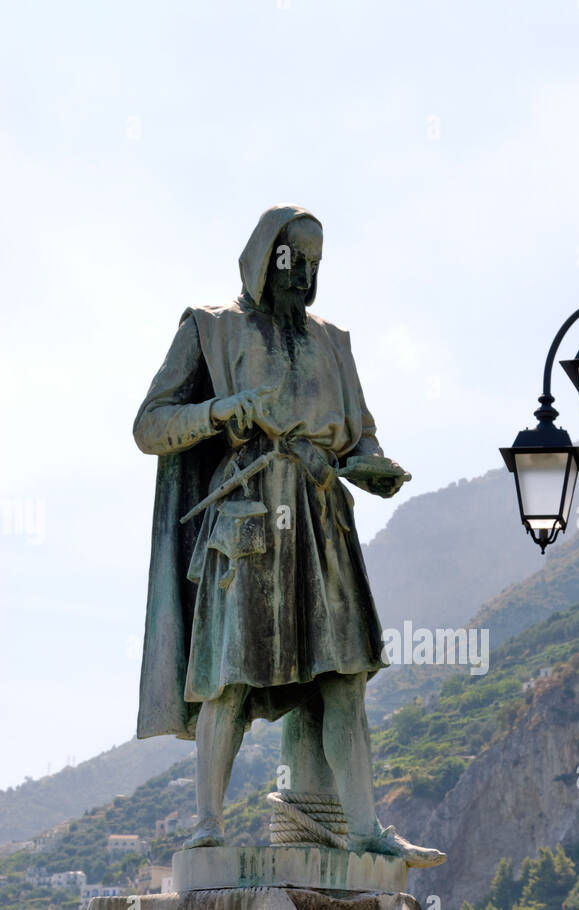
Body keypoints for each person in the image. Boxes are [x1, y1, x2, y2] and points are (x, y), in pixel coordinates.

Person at [134, 204, 445, 867]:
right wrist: (220, 411)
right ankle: (207, 826)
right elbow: (150, 425)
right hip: (247, 518)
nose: (304, 276)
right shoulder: (211, 328)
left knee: (345, 677)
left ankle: (363, 831)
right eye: (293, 260)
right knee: (230, 678)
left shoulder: (334, 341)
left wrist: (372, 467)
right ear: (264, 255)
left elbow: (361, 432)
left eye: (315, 263)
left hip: (323, 518)